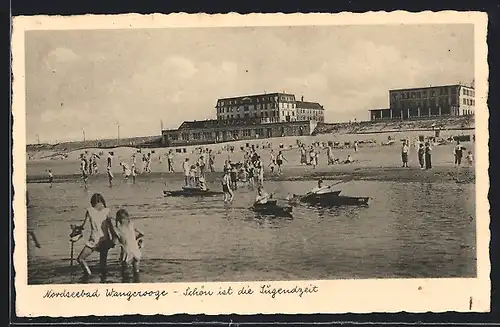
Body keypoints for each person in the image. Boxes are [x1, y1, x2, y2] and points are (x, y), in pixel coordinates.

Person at [76, 193, 116, 281]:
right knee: (103, 265)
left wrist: (76, 229)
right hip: (105, 240)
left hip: (94, 240)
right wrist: (113, 240)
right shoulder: (107, 211)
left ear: (92, 202)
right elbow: (112, 227)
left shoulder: (89, 210)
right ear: (102, 201)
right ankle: (104, 281)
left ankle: (88, 274)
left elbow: (83, 226)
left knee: (81, 258)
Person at [112, 208, 144, 283]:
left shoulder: (117, 229)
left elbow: (113, 243)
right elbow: (142, 233)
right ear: (127, 217)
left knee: (125, 274)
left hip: (126, 252)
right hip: (135, 250)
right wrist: (135, 239)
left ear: (118, 219)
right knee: (136, 272)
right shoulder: (131, 224)